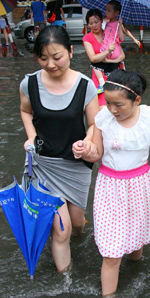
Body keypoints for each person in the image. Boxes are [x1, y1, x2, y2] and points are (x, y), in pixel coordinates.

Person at [72, 69, 150, 297]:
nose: (112, 109)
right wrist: (85, 151)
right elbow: (97, 154)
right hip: (110, 187)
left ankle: (135, 272)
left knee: (137, 240)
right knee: (111, 253)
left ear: (136, 100)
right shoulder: (103, 119)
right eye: (108, 103)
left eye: (118, 104)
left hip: (141, 186)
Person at [19, 26, 100, 272]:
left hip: (75, 165)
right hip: (43, 164)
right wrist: (31, 137)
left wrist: (87, 142)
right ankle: (65, 282)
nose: (51, 64)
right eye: (43, 58)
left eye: (57, 57)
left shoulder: (85, 85)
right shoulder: (29, 83)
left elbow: (95, 123)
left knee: (77, 224)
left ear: (71, 52)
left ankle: (74, 238)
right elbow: (25, 111)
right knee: (62, 230)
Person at [83, 9, 125, 106]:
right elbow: (93, 59)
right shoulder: (87, 38)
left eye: (96, 22)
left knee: (117, 103)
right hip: (99, 78)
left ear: (102, 21)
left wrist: (110, 60)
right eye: (91, 23)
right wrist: (107, 52)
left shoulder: (110, 33)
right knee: (102, 105)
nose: (94, 25)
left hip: (114, 73)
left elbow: (122, 55)